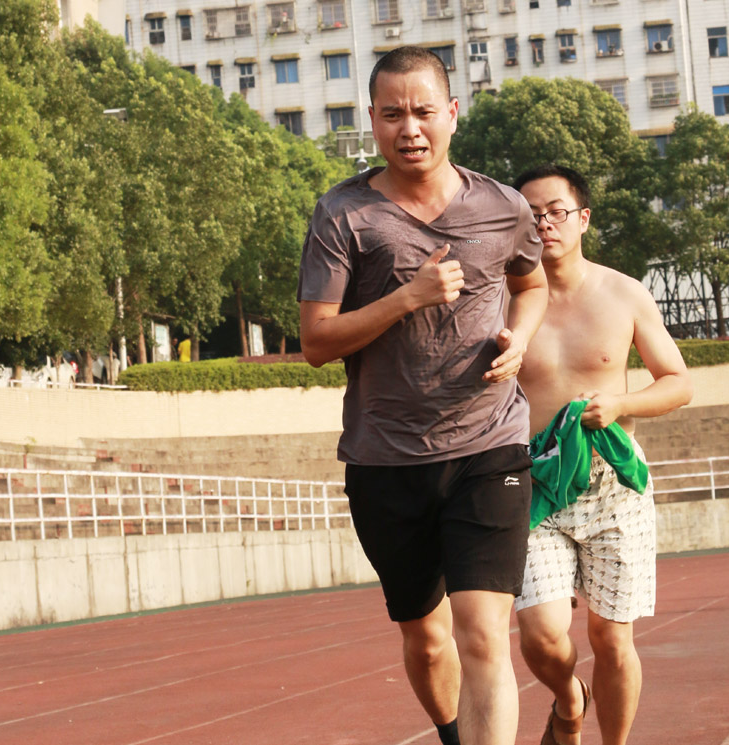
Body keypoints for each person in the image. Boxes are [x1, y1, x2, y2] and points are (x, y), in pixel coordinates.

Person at [297, 47, 548, 745]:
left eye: (424, 111)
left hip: (490, 444)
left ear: (453, 115)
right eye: (393, 113)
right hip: (387, 459)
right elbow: (317, 341)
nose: (410, 127)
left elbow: (531, 282)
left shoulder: (502, 206)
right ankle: (450, 732)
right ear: (371, 121)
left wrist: (521, 336)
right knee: (428, 639)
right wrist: (407, 297)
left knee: (483, 635)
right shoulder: (343, 216)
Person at [512, 164, 693, 745]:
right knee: (541, 634)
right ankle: (570, 699)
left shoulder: (624, 293)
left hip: (614, 491)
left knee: (612, 640)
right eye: (530, 214)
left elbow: (677, 382)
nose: (544, 224)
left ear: (582, 217)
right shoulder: (504, 301)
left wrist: (620, 402)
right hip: (538, 489)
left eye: (556, 211)